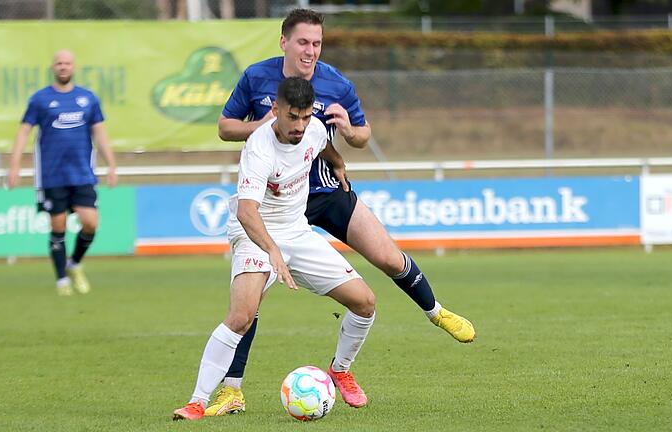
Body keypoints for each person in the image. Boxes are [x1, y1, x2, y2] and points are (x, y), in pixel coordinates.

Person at [207, 8, 475, 415]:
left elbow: (363, 136)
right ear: (284, 43)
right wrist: (262, 125)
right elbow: (226, 127)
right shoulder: (257, 77)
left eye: (316, 43)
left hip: (325, 190)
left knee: (386, 255)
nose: (310, 51)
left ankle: (435, 312)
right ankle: (232, 389)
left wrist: (349, 131)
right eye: (302, 42)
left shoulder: (336, 82)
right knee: (251, 298)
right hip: (275, 200)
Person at [173, 77, 376, 421]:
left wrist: (337, 160)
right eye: (292, 117)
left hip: (296, 231)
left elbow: (320, 143)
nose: (299, 126)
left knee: (365, 302)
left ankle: (340, 369)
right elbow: (246, 211)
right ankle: (197, 401)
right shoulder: (259, 148)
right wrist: (272, 251)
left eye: (305, 116)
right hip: (255, 232)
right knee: (241, 316)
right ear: (275, 110)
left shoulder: (312, 129)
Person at [7, 49, 117, 296]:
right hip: (52, 175)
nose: (63, 67)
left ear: (74, 67)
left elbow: (100, 132)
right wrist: (14, 165)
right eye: (59, 63)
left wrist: (111, 163)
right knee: (58, 227)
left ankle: (74, 263)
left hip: (82, 174)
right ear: (53, 67)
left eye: (67, 63)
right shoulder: (40, 99)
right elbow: (24, 132)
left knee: (90, 223)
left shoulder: (88, 99)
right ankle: (61, 282)